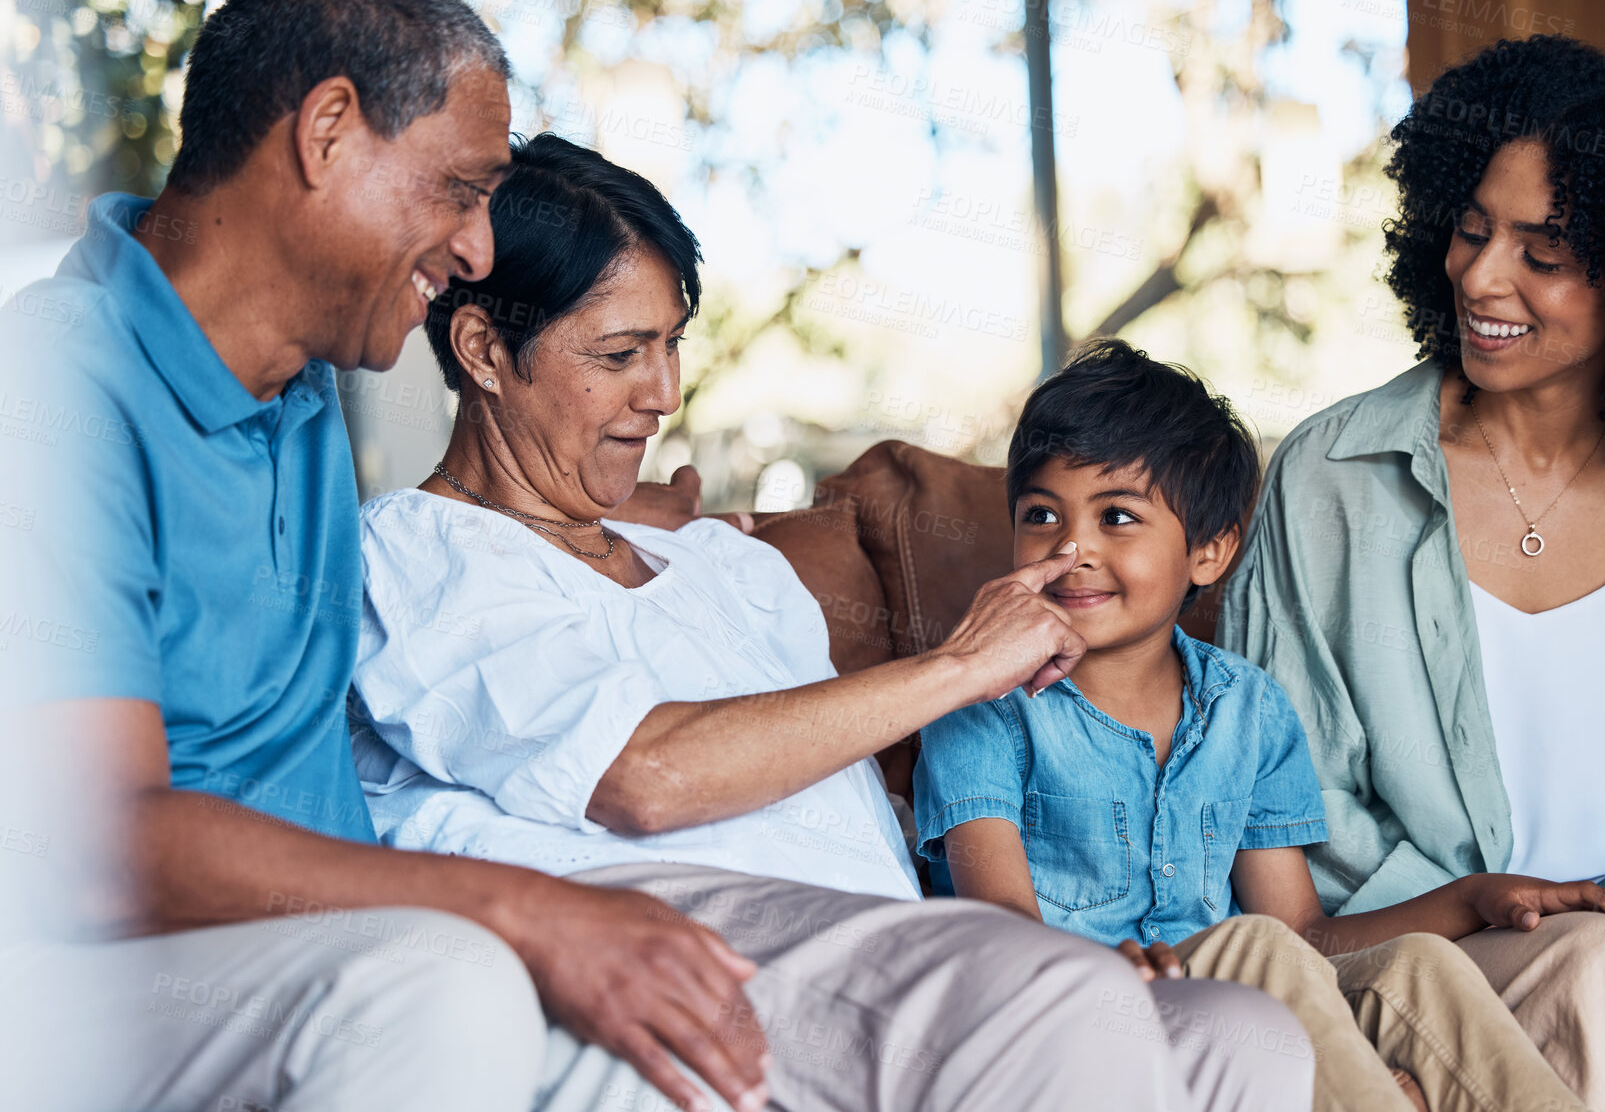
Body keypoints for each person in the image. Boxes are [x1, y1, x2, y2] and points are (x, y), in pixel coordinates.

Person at [0, 0, 1305, 1110]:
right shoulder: (70, 395)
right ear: (328, 131)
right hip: (210, 959)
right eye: (458, 192)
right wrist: (529, 909)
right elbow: (97, 833)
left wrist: (661, 523)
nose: (471, 244)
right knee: (455, 979)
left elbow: (562, 530)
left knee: (1244, 1037)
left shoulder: (286, 407)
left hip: (456, 931)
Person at [348, 129, 1313, 1112]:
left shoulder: (726, 564)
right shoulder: (411, 553)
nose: (665, 393)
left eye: (673, 343)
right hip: (691, 931)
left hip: (884, 939)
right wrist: (962, 665)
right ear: (482, 350)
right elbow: (641, 776)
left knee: (1245, 1035)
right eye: (621, 353)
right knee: (1064, 998)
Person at [912, 340, 1605, 1112]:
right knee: (1253, 945)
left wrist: (1471, 895)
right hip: (1069, 1005)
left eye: (1117, 517)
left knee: (1416, 963)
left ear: (1209, 553)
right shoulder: (983, 703)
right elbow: (1000, 926)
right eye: (1042, 514)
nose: (1072, 549)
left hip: (1225, 997)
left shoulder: (1247, 707)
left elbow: (1303, 932)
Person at [1218, 34, 1605, 1110]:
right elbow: (1275, 830)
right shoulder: (1331, 480)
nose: (1482, 276)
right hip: (1422, 964)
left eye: (1543, 253)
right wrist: (1495, 905)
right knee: (1598, 966)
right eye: (1471, 228)